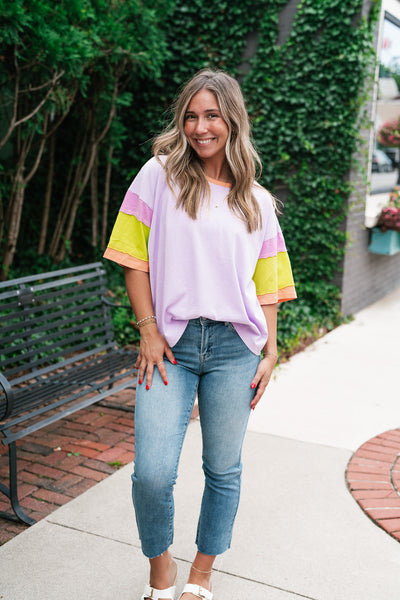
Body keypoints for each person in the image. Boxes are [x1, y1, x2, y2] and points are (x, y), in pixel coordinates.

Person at [104, 69, 296, 600]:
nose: (199, 126)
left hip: (236, 350)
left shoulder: (255, 200)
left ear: (232, 120)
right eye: (191, 115)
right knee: (152, 474)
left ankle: (201, 576)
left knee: (223, 467)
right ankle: (160, 574)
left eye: (211, 115)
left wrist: (270, 350)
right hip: (171, 346)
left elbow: (269, 285)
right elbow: (132, 258)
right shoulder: (158, 175)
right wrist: (146, 330)